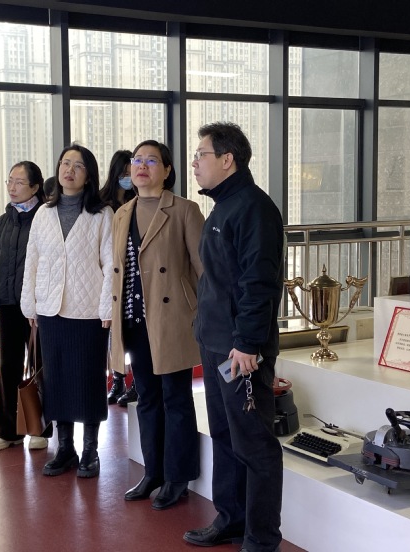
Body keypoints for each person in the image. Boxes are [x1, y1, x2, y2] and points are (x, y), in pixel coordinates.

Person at [183, 122, 285, 552]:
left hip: (240, 350)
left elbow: (259, 283)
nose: (194, 163)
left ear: (227, 160)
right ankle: (231, 518)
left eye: (201, 155)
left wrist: (246, 343)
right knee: (225, 436)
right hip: (215, 343)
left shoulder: (254, 209)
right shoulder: (223, 206)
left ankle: (261, 538)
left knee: (255, 444)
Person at [111, 140, 204, 510]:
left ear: (167, 170)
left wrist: (205, 315)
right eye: (137, 160)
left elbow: (203, 269)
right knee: (147, 399)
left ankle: (178, 477)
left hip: (172, 319)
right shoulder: (122, 213)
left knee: (176, 398)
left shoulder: (184, 210)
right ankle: (154, 472)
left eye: (151, 160)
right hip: (134, 320)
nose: (142, 166)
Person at [20, 144, 113, 478]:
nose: (69, 170)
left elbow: (111, 263)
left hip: (88, 312)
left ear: (89, 176)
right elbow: (32, 260)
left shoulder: (102, 214)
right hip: (50, 310)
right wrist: (29, 303)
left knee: (88, 380)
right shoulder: (44, 213)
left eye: (78, 166)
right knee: (56, 380)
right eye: (64, 163)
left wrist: (107, 306)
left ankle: (90, 450)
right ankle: (65, 449)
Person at [0, 161, 53, 452]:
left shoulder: (45, 218)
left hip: (37, 307)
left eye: (19, 182)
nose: (12, 187)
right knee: (9, 367)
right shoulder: (3, 221)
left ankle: (40, 429)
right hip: (8, 304)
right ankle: (8, 431)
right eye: (10, 181)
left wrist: (40, 302)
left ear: (35, 187)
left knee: (40, 367)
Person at [99, 149, 138, 405]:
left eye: (129, 173)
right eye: (123, 173)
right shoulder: (103, 203)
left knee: (133, 333)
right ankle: (117, 380)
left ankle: (136, 383)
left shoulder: (138, 200)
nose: (127, 178)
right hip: (110, 277)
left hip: (132, 276)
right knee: (114, 336)